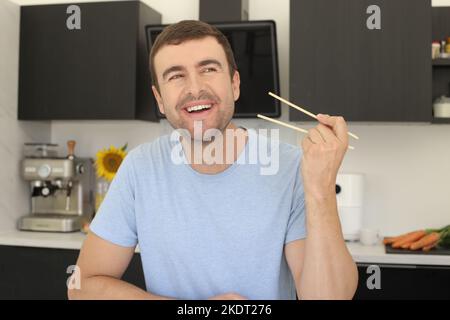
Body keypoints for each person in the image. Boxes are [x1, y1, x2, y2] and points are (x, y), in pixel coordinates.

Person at [68, 20, 358, 300]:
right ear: (159, 99)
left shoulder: (293, 167)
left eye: (208, 69)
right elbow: (82, 287)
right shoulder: (139, 168)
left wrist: (321, 188)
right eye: (176, 75)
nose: (194, 88)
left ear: (234, 84)